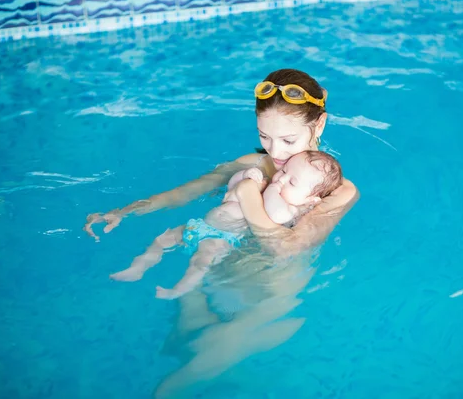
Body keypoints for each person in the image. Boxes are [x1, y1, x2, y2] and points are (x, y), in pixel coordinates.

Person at [84, 68, 359, 396]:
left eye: (288, 140)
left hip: (271, 291)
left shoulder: (339, 192)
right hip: (220, 264)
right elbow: (185, 192)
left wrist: (247, 196)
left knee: (179, 380)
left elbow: (288, 248)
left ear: (319, 125)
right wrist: (123, 212)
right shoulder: (251, 165)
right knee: (182, 341)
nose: (276, 152)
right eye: (264, 136)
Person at [110, 150, 343, 300]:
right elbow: (233, 187)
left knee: (200, 263)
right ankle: (138, 268)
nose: (281, 178)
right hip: (198, 225)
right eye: (283, 171)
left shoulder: (289, 208)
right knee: (161, 240)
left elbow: (275, 213)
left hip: (220, 238)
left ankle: (178, 290)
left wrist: (266, 187)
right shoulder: (265, 185)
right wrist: (245, 177)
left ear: (310, 200)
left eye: (291, 181)